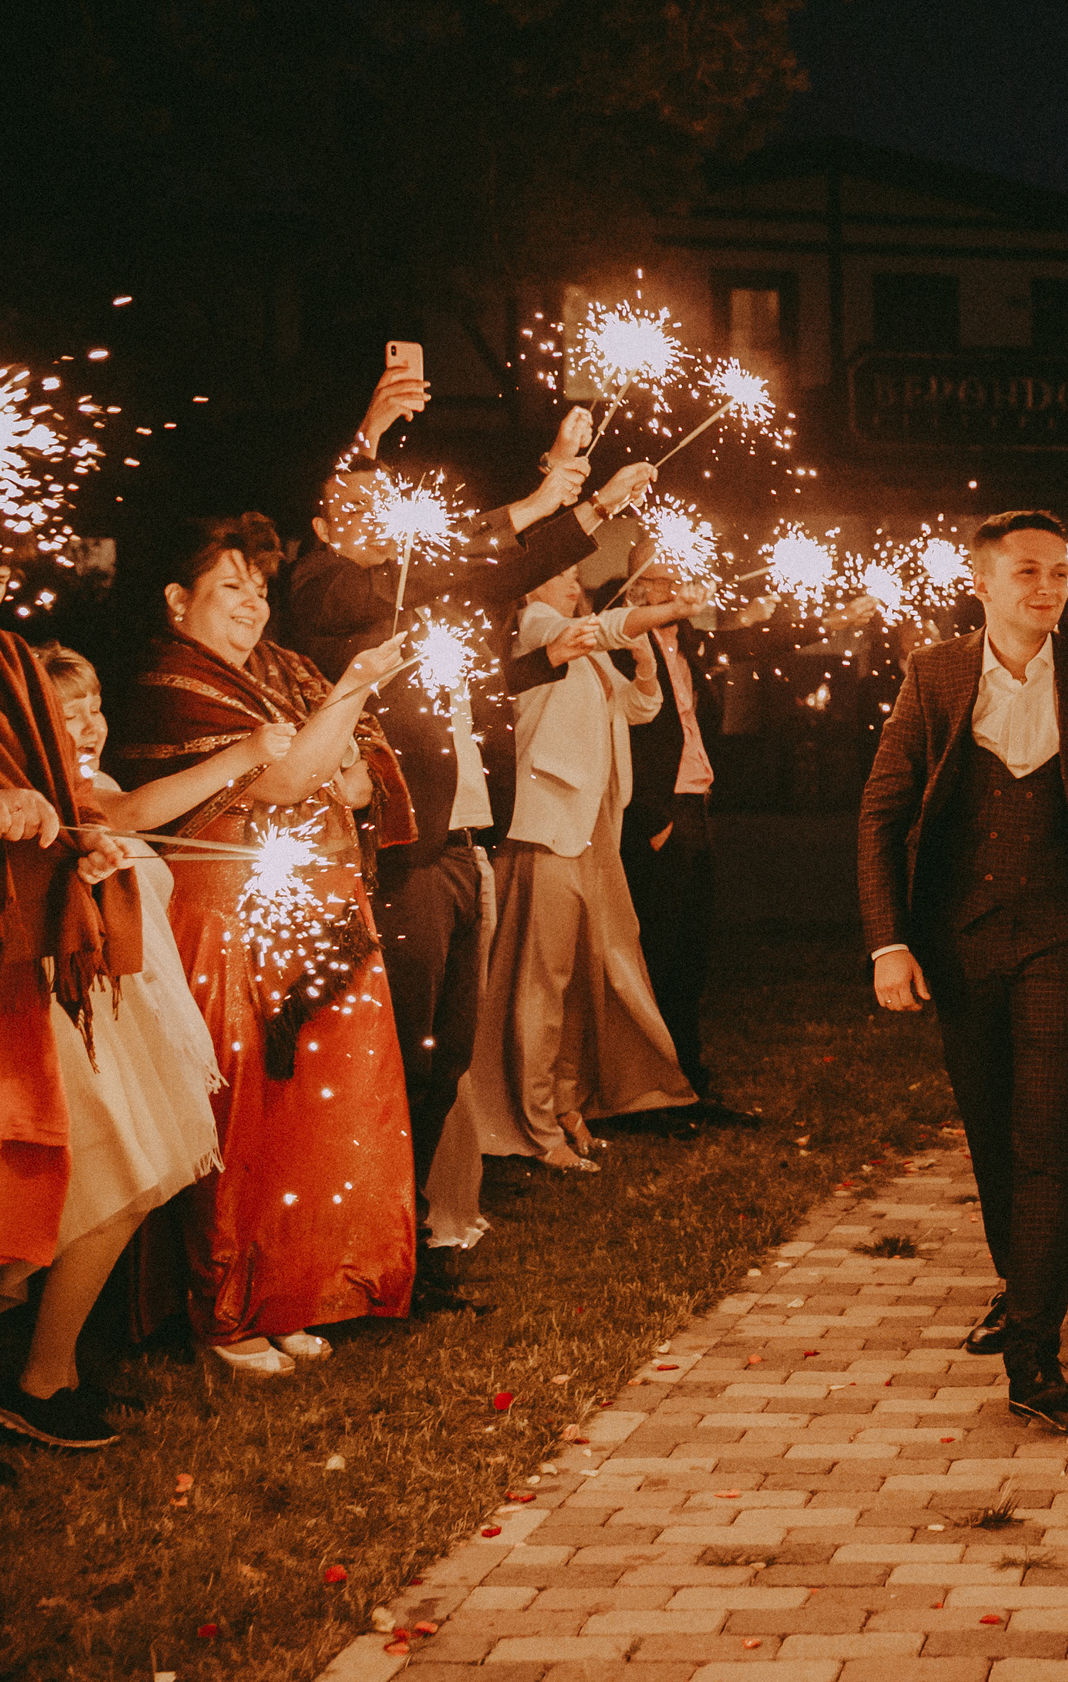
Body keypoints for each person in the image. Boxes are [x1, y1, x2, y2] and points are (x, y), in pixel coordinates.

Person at [283, 373, 656, 1300]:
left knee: (447, 1053)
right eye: (359, 503)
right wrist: (530, 494)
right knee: (399, 1054)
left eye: (385, 500)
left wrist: (591, 503)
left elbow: (495, 571)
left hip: (458, 849)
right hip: (401, 857)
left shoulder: (408, 590)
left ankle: (414, 1242)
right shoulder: (327, 586)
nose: (384, 514)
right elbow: (450, 554)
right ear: (326, 526)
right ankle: (373, 1248)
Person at [857, 511, 1068, 1418]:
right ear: (986, 584)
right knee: (992, 1134)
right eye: (1030, 573)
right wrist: (890, 941)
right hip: (958, 940)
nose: (1050, 589)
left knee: (1044, 1139)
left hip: (1061, 937)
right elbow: (881, 815)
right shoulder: (935, 673)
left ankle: (1035, 1354)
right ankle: (1019, 1285)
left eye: (1061, 574)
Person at [105, 516, 415, 1375]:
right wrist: (350, 692)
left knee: (313, 1112)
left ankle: (293, 1290)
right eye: (228, 588)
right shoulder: (169, 681)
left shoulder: (289, 671)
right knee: (240, 1111)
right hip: (226, 920)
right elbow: (287, 777)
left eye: (258, 591)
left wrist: (334, 733)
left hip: (320, 919)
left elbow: (356, 778)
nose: (251, 607)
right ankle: (225, 1307)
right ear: (179, 600)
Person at [0, 646, 230, 1448]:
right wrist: (255, 754)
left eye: (92, 703)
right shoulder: (76, 800)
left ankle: (49, 1372)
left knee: (133, 1175)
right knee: (108, 1171)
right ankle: (37, 1376)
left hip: (124, 1010)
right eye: (65, 713)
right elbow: (120, 821)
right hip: (66, 1009)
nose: (86, 722)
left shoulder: (95, 791)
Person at [429, 560, 701, 1206]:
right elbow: (590, 631)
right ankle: (535, 1122)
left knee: (581, 976)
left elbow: (639, 708)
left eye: (580, 575)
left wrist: (641, 662)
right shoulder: (536, 625)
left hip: (592, 825)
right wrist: (648, 616)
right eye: (562, 574)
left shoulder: (581, 634)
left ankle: (570, 1106)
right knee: (541, 982)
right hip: (547, 823)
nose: (574, 583)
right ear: (529, 587)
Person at [610, 536, 778, 1117]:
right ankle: (656, 1086)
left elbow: (755, 639)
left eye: (673, 577)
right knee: (659, 948)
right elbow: (621, 737)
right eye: (655, 579)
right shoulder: (622, 641)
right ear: (635, 588)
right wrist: (651, 820)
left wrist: (831, 618)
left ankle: (688, 1077)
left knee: (692, 950)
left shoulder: (691, 645)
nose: (669, 587)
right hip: (659, 814)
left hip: (695, 807)